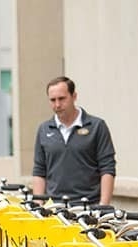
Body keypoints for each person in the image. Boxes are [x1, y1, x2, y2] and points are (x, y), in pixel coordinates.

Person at [32, 76, 116, 205]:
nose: (57, 105)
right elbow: (39, 170)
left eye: (62, 99)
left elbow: (107, 168)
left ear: (74, 96)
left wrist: (103, 206)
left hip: (89, 206)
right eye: (53, 100)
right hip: (54, 208)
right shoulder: (44, 129)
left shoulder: (97, 126)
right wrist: (38, 204)